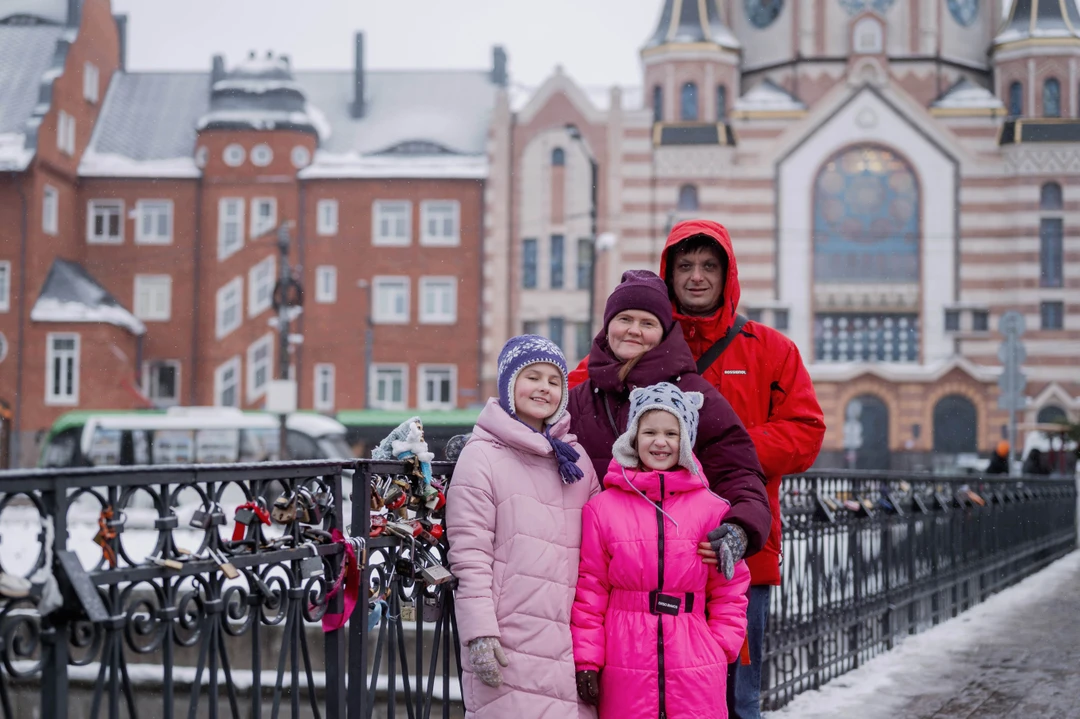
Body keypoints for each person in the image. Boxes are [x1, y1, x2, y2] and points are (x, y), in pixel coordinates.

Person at [571, 220, 826, 719]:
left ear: (728, 275)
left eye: (709, 266)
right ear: (667, 275)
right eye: (684, 266)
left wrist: (708, 454)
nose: (696, 277)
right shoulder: (628, 349)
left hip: (726, 550)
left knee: (735, 695)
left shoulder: (769, 348)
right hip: (630, 560)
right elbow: (556, 408)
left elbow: (805, 433)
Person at [567, 269, 770, 580]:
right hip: (594, 573)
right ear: (608, 327)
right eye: (624, 319)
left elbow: (738, 472)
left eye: (647, 323)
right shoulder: (579, 399)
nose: (633, 330)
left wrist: (740, 527)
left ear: (663, 333)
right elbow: (530, 444)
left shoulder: (694, 395)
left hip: (674, 578)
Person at [572, 382, 751, 718]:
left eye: (671, 433)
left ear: (685, 441)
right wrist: (588, 659)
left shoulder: (712, 509)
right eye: (649, 431)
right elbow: (590, 592)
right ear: (633, 438)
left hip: (695, 653)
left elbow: (730, 587)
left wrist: (721, 644)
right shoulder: (602, 509)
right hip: (624, 653)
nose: (660, 442)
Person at [446, 335, 600, 718]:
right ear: (509, 384)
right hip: (511, 636)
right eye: (532, 376)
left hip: (570, 635)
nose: (543, 388)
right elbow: (470, 554)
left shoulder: (574, 458)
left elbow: (601, 544)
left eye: (553, 381)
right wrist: (479, 632)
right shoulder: (481, 456)